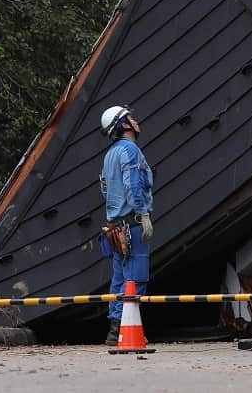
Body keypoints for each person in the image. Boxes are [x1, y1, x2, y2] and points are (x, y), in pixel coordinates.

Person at [98, 105, 154, 345]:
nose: (135, 119)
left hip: (117, 226)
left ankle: (114, 330)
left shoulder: (110, 154)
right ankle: (126, 330)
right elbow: (133, 184)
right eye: (130, 117)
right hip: (132, 224)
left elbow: (104, 188)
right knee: (135, 278)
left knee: (119, 279)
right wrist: (143, 214)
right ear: (124, 125)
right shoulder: (130, 150)